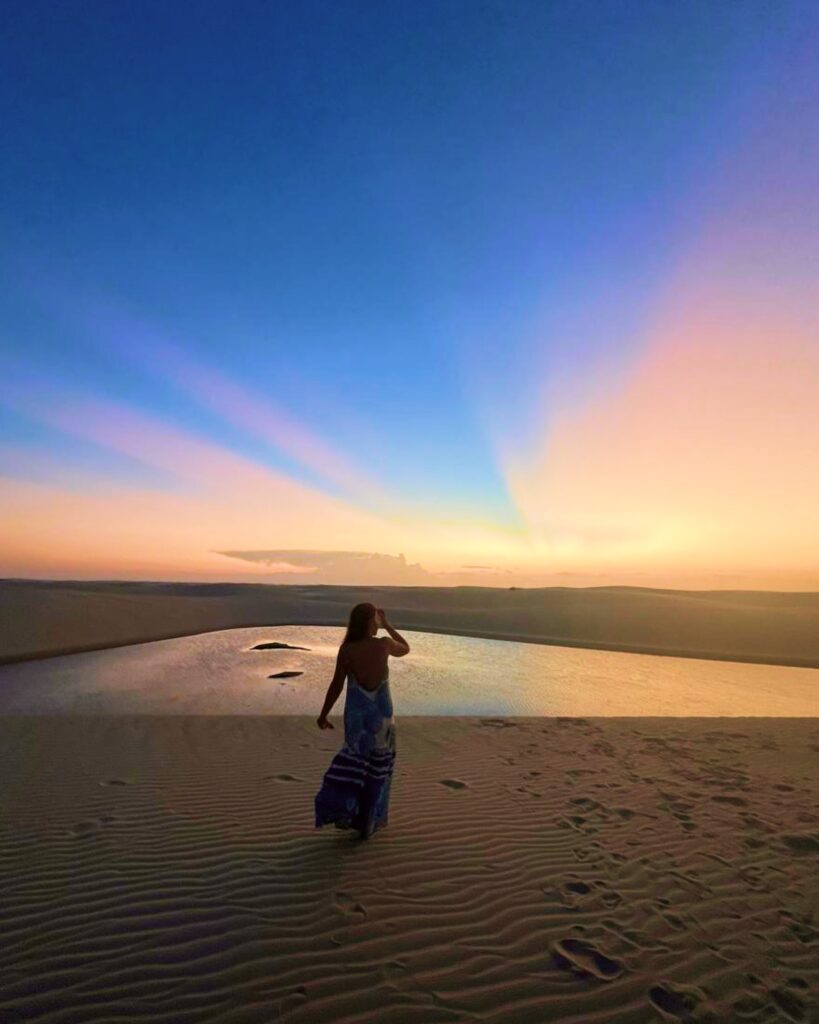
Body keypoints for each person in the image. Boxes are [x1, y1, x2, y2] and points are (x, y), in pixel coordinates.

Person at [314, 603, 410, 839]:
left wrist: (324, 713)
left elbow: (336, 685)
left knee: (356, 767)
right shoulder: (383, 645)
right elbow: (406, 648)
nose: (378, 622)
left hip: (357, 717)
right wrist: (388, 625)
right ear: (369, 621)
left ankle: (351, 815)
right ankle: (369, 822)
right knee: (378, 769)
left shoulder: (347, 649)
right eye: (376, 619)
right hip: (382, 717)